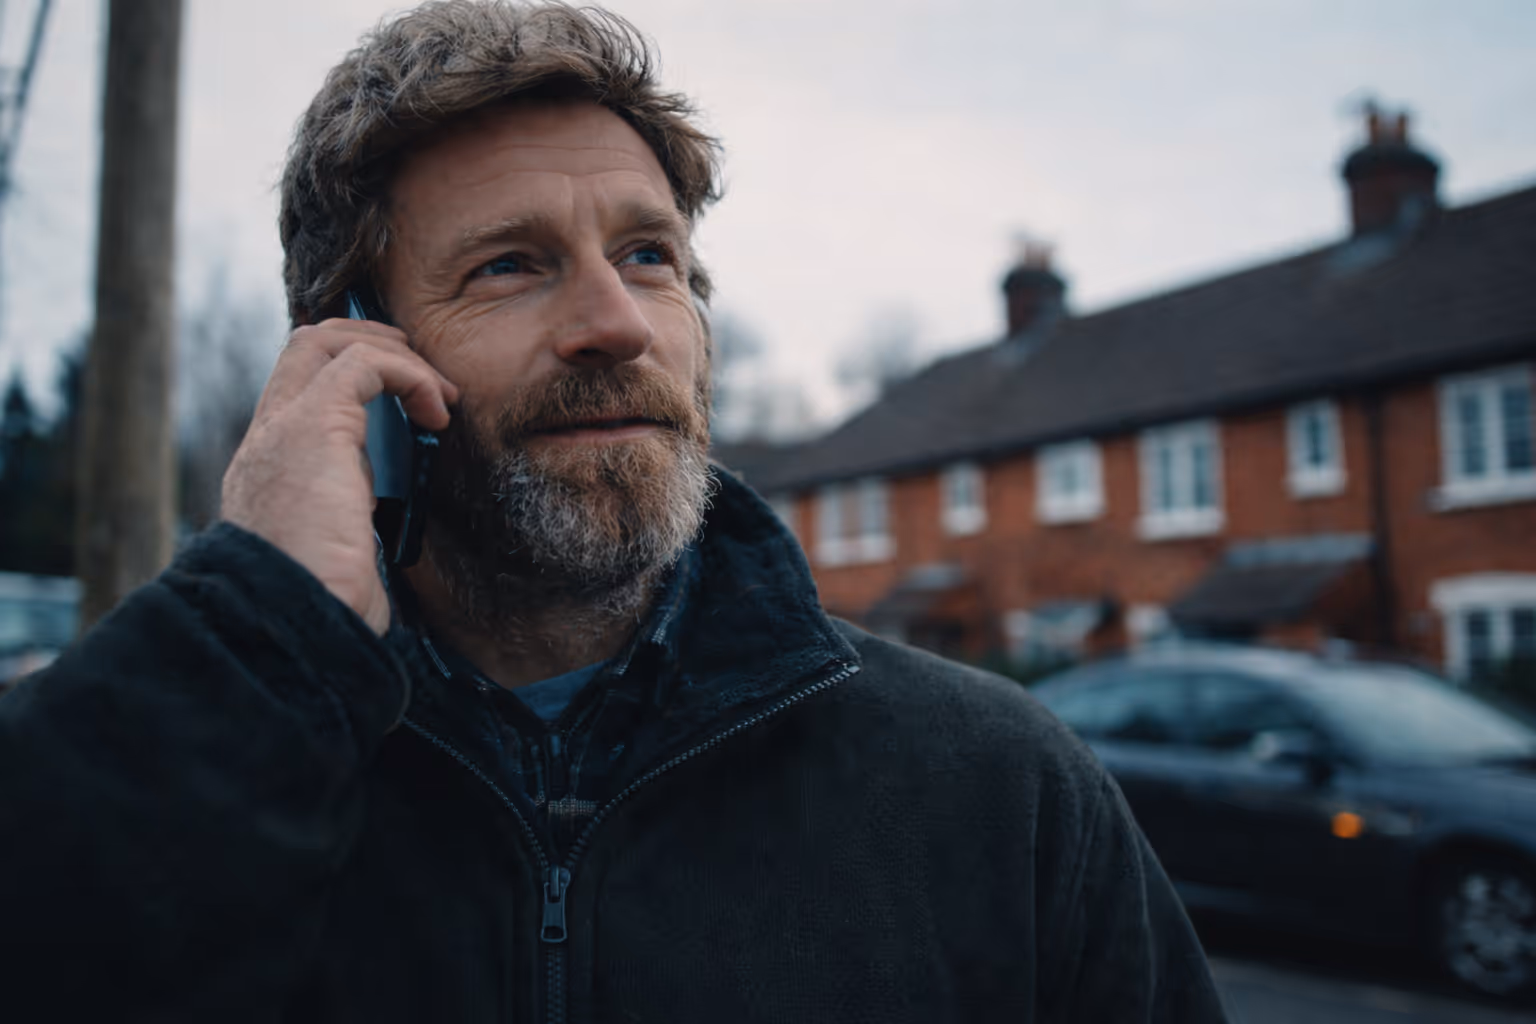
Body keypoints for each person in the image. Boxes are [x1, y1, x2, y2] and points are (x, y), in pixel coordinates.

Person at [0, 2, 1227, 1020]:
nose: (618, 323)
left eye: (651, 257)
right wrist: (268, 635)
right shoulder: (199, 753)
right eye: (509, 264)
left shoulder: (1003, 790)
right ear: (353, 355)